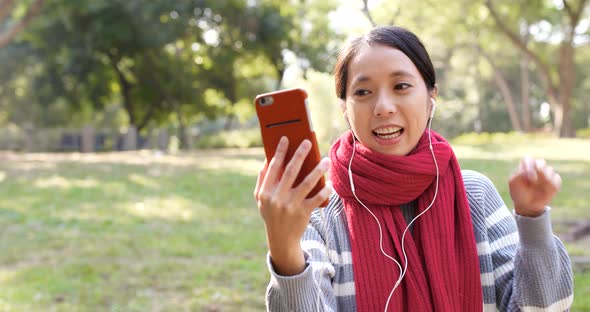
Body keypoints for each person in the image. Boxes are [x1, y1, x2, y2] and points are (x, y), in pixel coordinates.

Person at [254, 26, 573, 311]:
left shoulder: (474, 195)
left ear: (431, 96)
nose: (383, 107)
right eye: (362, 92)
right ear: (345, 110)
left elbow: (545, 308)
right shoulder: (318, 209)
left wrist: (532, 219)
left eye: (401, 86)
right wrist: (285, 253)